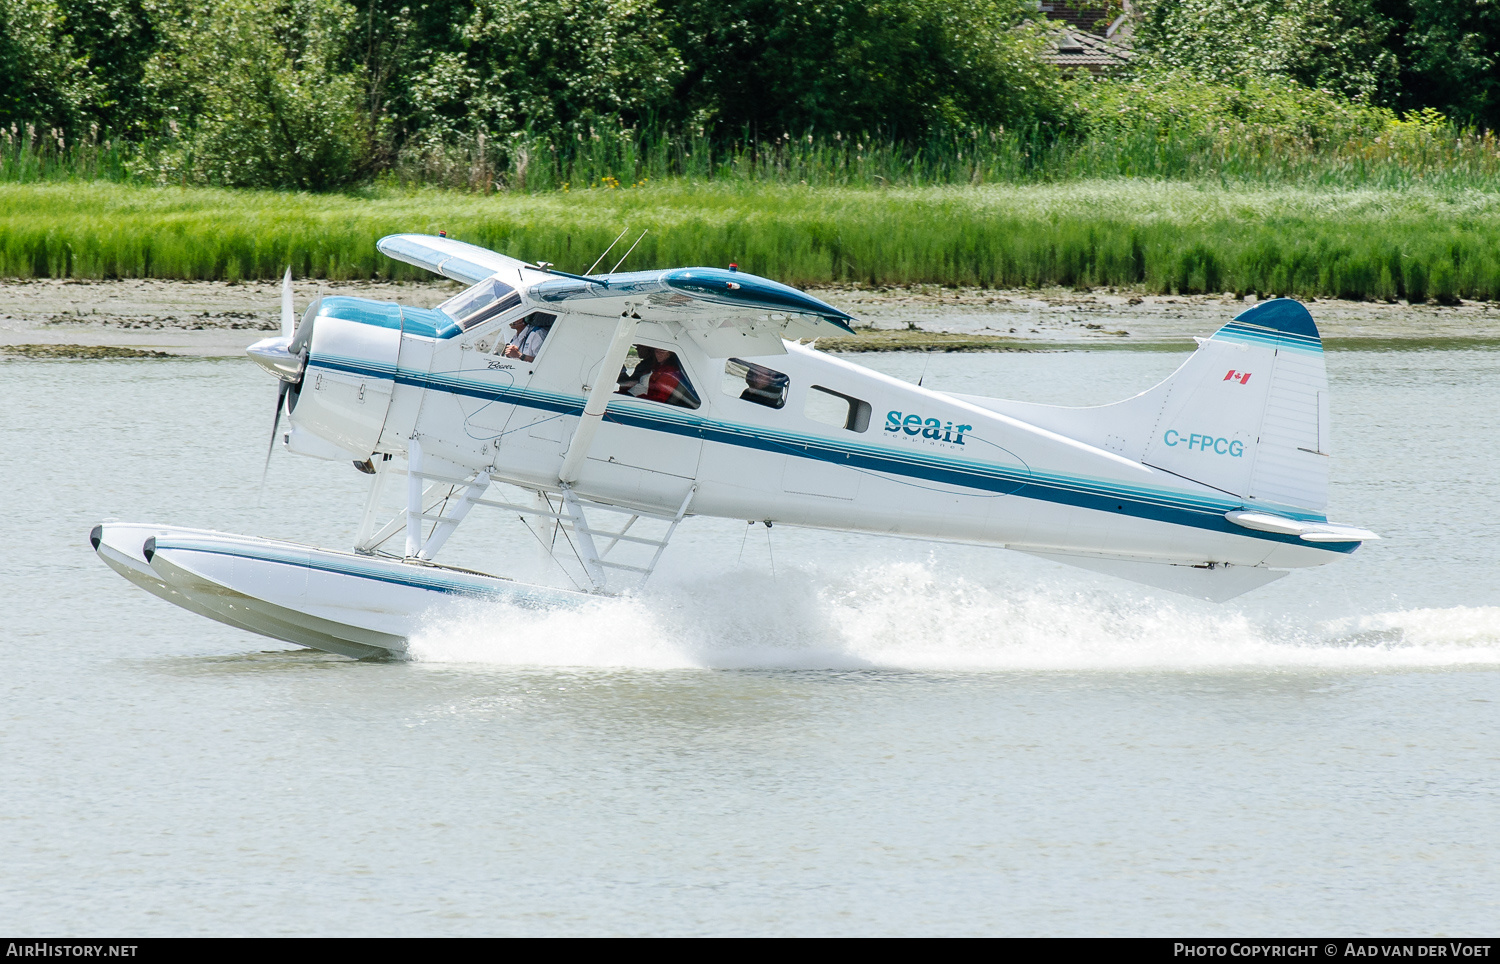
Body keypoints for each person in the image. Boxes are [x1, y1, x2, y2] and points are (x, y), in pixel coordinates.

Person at [617, 345, 699, 408]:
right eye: (656, 351)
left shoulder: (669, 373)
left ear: (669, 354)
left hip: (647, 404)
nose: (658, 354)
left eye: (662, 352)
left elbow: (658, 398)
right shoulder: (656, 368)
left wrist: (633, 399)